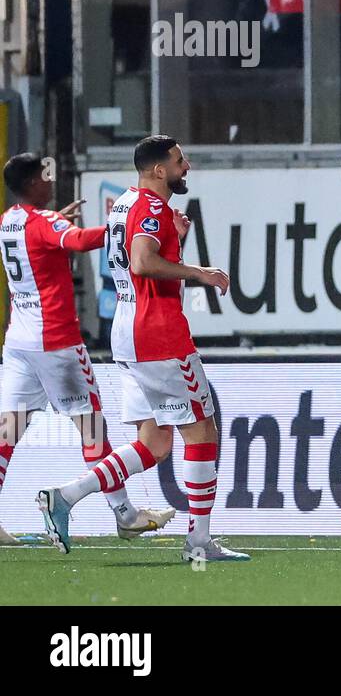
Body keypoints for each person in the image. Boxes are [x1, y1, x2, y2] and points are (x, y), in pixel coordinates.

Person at [37, 136, 247, 562]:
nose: (185, 166)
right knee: (202, 431)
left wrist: (177, 240)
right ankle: (199, 543)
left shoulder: (125, 204)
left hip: (128, 332)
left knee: (155, 443)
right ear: (158, 170)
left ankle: (65, 496)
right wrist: (199, 272)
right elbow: (142, 262)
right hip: (158, 333)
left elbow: (141, 260)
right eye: (178, 160)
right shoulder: (152, 208)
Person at [0, 153, 172, 545]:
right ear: (31, 184)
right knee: (92, 428)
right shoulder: (44, 223)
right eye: (45, 177)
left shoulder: (9, 221)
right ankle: (125, 515)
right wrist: (120, 225)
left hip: (19, 344)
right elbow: (77, 241)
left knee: (7, 431)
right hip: (56, 345)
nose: (51, 181)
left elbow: (43, 241)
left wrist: (53, 222)